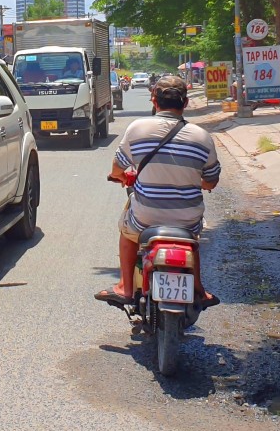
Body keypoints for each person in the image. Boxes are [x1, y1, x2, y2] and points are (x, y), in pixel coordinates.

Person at [95, 75, 222, 308]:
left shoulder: (137, 128)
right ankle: (198, 289)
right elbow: (211, 181)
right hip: (188, 219)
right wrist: (199, 182)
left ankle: (125, 287)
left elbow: (117, 167)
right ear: (185, 104)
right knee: (192, 241)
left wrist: (121, 177)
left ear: (154, 101)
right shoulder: (202, 137)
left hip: (146, 218)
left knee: (127, 232)